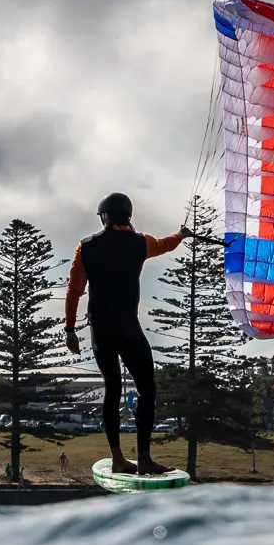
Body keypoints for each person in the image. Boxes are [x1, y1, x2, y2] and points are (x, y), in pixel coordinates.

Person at [64, 192, 190, 474]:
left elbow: (74, 291)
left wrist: (70, 329)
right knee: (147, 389)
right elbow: (165, 245)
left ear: (105, 217)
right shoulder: (140, 242)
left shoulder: (85, 247)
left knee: (112, 389)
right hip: (129, 328)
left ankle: (119, 459)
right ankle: (144, 458)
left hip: (101, 329)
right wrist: (181, 234)